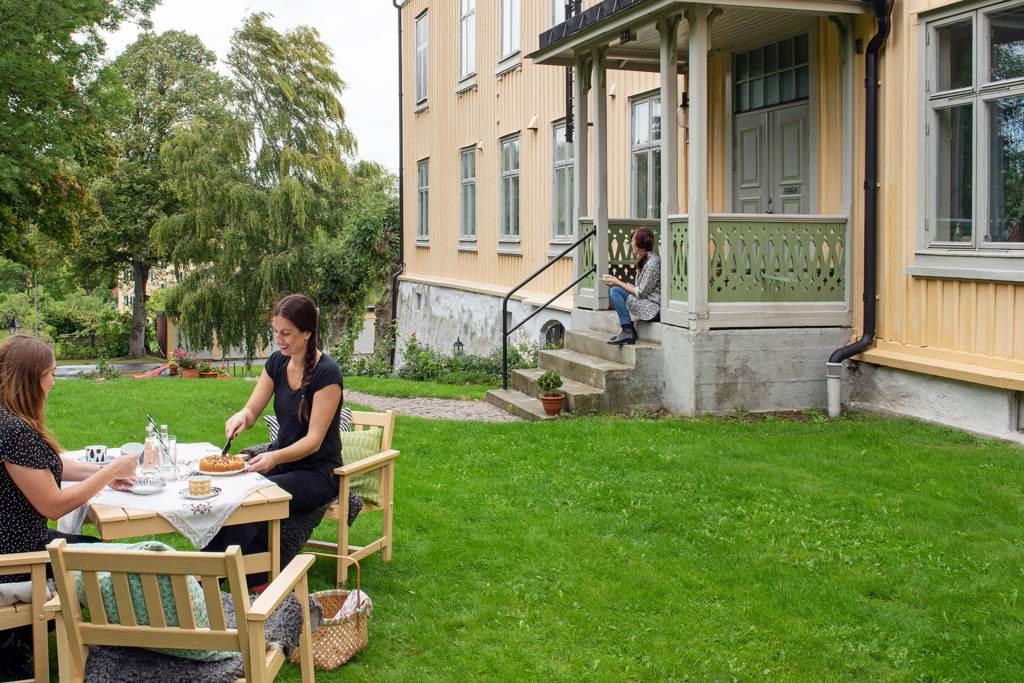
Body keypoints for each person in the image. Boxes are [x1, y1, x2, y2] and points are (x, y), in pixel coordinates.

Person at [0, 334, 138, 679]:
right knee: (119, 564)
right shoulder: (14, 431)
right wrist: (109, 472)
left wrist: (102, 473)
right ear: (32, 379)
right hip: (17, 562)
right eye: (51, 374)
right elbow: (54, 505)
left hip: (14, 544)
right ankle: (130, 655)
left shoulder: (6, 421)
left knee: (96, 548)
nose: (54, 383)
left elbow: (47, 467)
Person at [204, 293, 344, 589]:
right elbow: (252, 410)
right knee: (235, 492)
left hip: (318, 473)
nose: (278, 340)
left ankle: (217, 577)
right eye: (275, 332)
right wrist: (241, 417)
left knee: (255, 497)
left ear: (307, 333)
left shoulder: (327, 374)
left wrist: (274, 457)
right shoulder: (277, 363)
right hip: (284, 464)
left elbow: (314, 441)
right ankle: (227, 573)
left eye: (286, 333)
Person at [600, 227, 661, 345]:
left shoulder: (653, 262)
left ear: (640, 243)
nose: (631, 243)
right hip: (646, 302)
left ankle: (627, 330)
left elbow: (641, 293)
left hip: (653, 308)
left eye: (633, 240)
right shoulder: (645, 259)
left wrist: (618, 282)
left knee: (615, 290)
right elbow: (641, 289)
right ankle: (627, 330)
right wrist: (620, 283)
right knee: (615, 289)